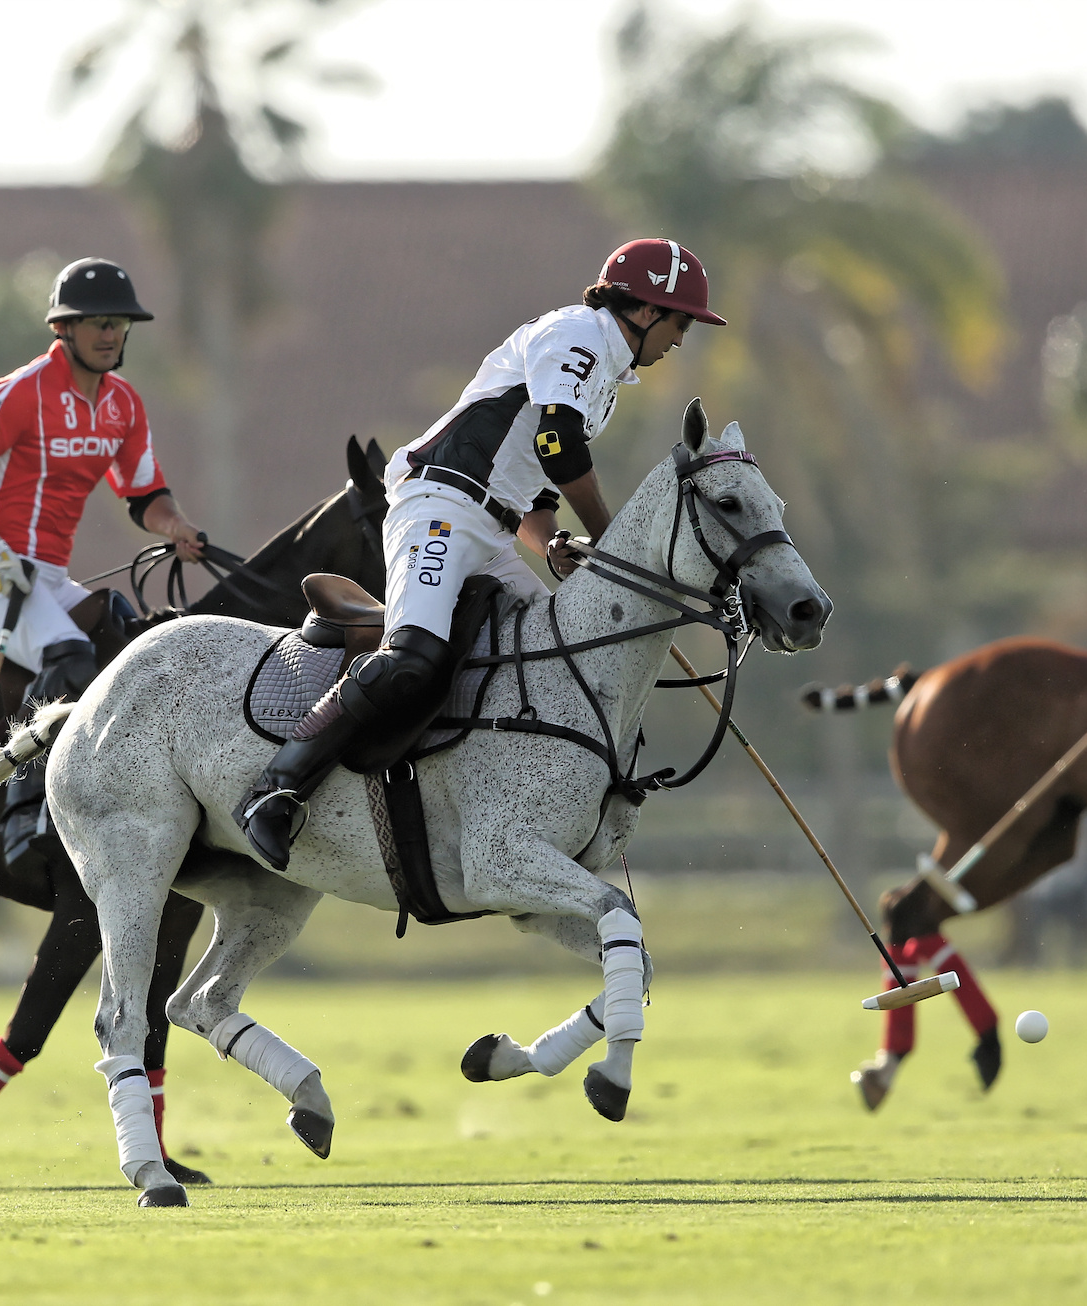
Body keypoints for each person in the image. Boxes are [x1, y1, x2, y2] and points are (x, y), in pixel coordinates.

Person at [234, 238, 727, 871]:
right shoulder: (579, 334)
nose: (683, 338)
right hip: (439, 505)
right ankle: (277, 789)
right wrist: (612, 544)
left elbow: (535, 490)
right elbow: (559, 445)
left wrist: (550, 542)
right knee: (412, 656)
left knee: (552, 661)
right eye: (682, 321)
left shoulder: (603, 373)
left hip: (493, 528)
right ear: (646, 310)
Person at [0, 256, 208, 875]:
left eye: (119, 324)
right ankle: (26, 811)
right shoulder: (21, 394)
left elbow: (143, 495)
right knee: (67, 655)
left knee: (129, 640)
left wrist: (177, 526)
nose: (110, 334)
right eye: (97, 322)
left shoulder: (122, 405)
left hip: (44, 574)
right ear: (64, 329)